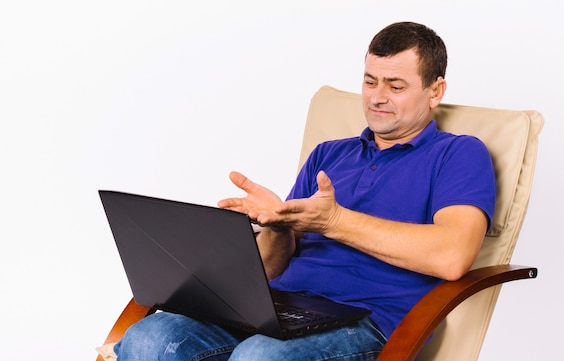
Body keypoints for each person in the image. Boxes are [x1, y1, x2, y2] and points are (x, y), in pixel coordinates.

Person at [113, 21, 496, 361]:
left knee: (259, 357)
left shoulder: (459, 153)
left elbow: (452, 256)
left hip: (368, 323)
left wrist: (335, 221)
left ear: (435, 91)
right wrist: (277, 224)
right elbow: (273, 267)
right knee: (149, 337)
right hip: (280, 310)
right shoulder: (329, 154)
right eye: (369, 81)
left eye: (396, 86)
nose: (377, 97)